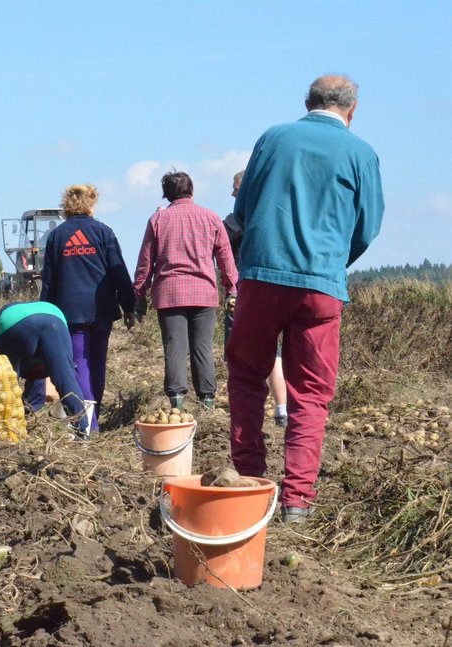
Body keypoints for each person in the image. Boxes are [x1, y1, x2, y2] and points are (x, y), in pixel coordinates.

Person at [227, 74, 384, 523]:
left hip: (263, 276)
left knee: (246, 376)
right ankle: (297, 501)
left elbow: (243, 210)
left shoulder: (273, 138)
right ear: (352, 111)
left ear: (307, 101)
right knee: (311, 394)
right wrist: (332, 263)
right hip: (322, 286)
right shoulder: (362, 152)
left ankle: (250, 484)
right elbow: (367, 228)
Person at [132, 171, 238, 411]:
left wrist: (139, 293)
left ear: (166, 194)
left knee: (174, 347)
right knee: (202, 346)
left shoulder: (158, 221)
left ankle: (176, 404)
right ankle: (207, 402)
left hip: (170, 293)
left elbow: (145, 262)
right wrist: (232, 288)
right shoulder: (210, 218)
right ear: (191, 190)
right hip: (204, 292)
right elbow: (225, 258)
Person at [40, 184, 135, 432]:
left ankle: (88, 424)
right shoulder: (103, 232)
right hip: (101, 309)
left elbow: (49, 280)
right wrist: (129, 305)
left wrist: (46, 315)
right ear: (91, 204)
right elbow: (119, 272)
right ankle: (93, 419)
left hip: (70, 312)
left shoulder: (57, 236)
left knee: (80, 363)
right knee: (96, 363)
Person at [223, 170, 288, 428]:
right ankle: (282, 408)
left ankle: (250, 410)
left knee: (241, 353)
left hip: (245, 289)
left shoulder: (240, 217)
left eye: (236, 188)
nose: (233, 193)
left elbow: (217, 237)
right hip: (275, 289)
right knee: (275, 351)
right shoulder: (276, 213)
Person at [0, 301, 91, 437]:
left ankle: (2, 432)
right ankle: (82, 431)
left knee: (5, 383)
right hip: (54, 319)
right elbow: (39, 378)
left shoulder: (2, 315)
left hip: (14, 322)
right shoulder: (41, 310)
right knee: (66, 379)